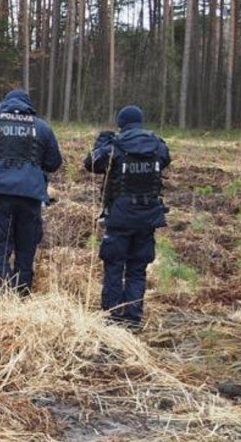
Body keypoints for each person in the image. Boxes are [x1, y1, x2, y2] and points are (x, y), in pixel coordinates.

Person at [0, 89, 62, 294]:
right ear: (28, 105)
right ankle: (23, 293)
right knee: (26, 246)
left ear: (4, 103)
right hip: (31, 195)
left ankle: (3, 293)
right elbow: (53, 163)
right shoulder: (42, 127)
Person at [84, 105, 170, 330]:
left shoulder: (115, 146)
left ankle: (112, 317)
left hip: (120, 218)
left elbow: (91, 164)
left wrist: (101, 142)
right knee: (137, 269)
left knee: (114, 266)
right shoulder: (157, 146)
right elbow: (166, 159)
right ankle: (133, 318)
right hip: (148, 218)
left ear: (121, 123)